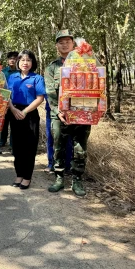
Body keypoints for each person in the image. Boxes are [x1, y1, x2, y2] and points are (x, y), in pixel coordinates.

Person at [45, 30, 91, 197]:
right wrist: (58, 112)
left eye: (68, 41)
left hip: (82, 112)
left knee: (80, 147)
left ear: (73, 44)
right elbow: (50, 93)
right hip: (59, 114)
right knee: (58, 145)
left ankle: (77, 179)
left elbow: (96, 84)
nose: (64, 44)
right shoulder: (52, 67)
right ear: (57, 46)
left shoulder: (86, 63)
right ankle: (59, 177)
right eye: (61, 42)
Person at [8, 50, 46, 190]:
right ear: (18, 62)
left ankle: (27, 177)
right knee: (17, 147)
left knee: (29, 147)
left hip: (30, 114)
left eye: (28, 60)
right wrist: (13, 109)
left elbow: (40, 98)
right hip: (14, 112)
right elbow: (7, 95)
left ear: (32, 63)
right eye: (22, 60)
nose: (25, 63)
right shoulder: (12, 77)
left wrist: (24, 111)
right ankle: (19, 175)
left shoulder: (37, 78)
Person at [0, 51, 19, 148]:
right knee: (4, 122)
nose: (12, 60)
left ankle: (12, 143)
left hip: (16, 101)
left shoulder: (20, 72)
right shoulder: (3, 72)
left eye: (14, 58)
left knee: (14, 123)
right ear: (7, 60)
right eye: (10, 58)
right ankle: (2, 141)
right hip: (4, 101)